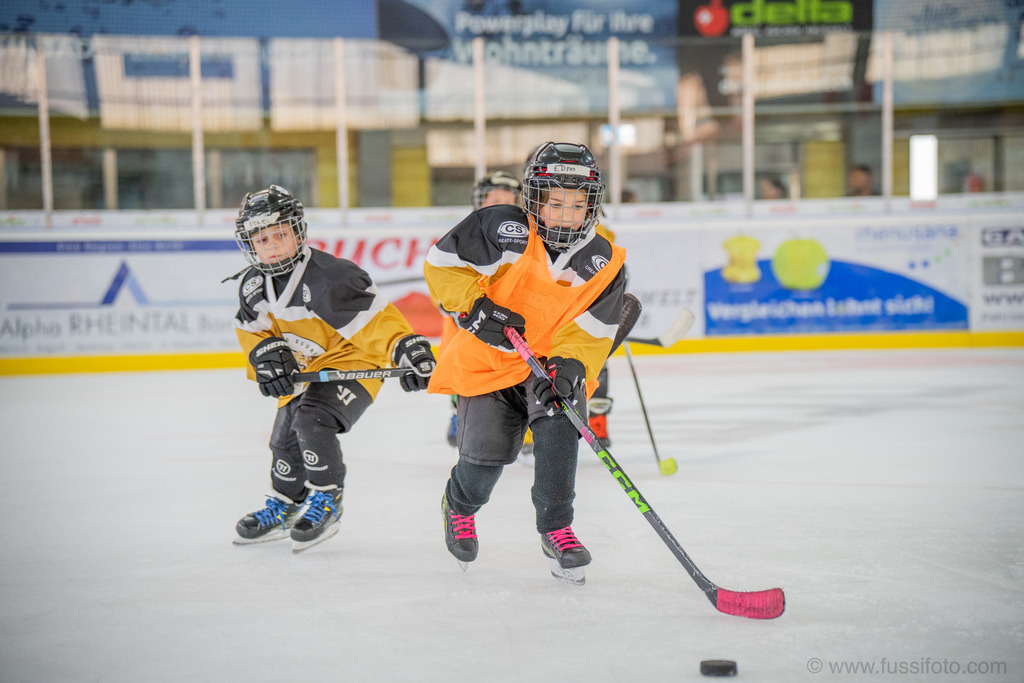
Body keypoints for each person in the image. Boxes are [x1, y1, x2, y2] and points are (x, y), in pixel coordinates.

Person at [424, 142, 627, 584]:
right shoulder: (503, 228)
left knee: (560, 429)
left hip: (547, 366)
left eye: (577, 205)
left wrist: (571, 366)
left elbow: (593, 325)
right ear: (533, 198)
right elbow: (442, 264)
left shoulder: (604, 258)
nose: (565, 214)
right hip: (487, 365)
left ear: (593, 205)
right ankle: (458, 505)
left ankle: (557, 526)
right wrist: (475, 307)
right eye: (554, 203)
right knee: (484, 463)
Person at [230, 185, 435, 552]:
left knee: (312, 421)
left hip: (353, 361)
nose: (273, 245)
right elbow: (251, 329)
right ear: (249, 244)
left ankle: (327, 500)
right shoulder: (252, 285)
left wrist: (403, 346)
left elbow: (376, 322)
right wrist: (263, 351)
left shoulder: (330, 276)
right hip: (306, 368)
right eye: (262, 239)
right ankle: (285, 503)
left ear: (298, 232)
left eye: (281, 234)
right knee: (283, 439)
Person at [442, 170, 524, 448]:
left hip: (511, 316)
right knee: (458, 355)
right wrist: (457, 305)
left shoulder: (526, 235)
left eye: (504, 198)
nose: (497, 204)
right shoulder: (464, 233)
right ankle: (459, 410)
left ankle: (525, 420)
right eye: (491, 198)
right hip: (471, 314)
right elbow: (444, 276)